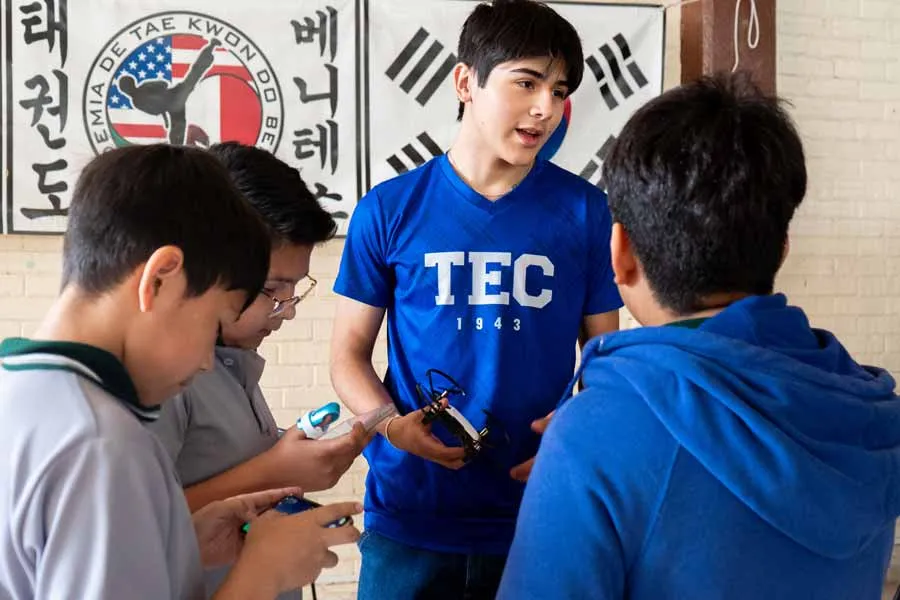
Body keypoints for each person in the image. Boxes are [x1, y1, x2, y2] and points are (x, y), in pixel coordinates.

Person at [497, 73, 900, 600]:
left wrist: (594, 441)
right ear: (781, 248)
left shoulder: (595, 434)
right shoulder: (870, 414)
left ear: (620, 253)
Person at [329, 1, 622, 597]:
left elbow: (606, 356)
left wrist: (577, 438)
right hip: (410, 514)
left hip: (540, 510)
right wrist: (389, 424)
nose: (546, 107)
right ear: (466, 82)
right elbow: (347, 355)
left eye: (559, 90)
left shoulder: (585, 211)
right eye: (527, 82)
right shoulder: (388, 209)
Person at [0, 144, 361, 599]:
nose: (208, 361)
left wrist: (180, 540)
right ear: (161, 278)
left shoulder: (22, 392)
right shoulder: (101, 442)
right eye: (213, 320)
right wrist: (262, 575)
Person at [149, 142, 370, 598]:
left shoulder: (230, 362)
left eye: (294, 288)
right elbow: (138, 528)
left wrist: (288, 460)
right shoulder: (165, 376)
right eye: (273, 288)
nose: (286, 311)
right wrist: (273, 471)